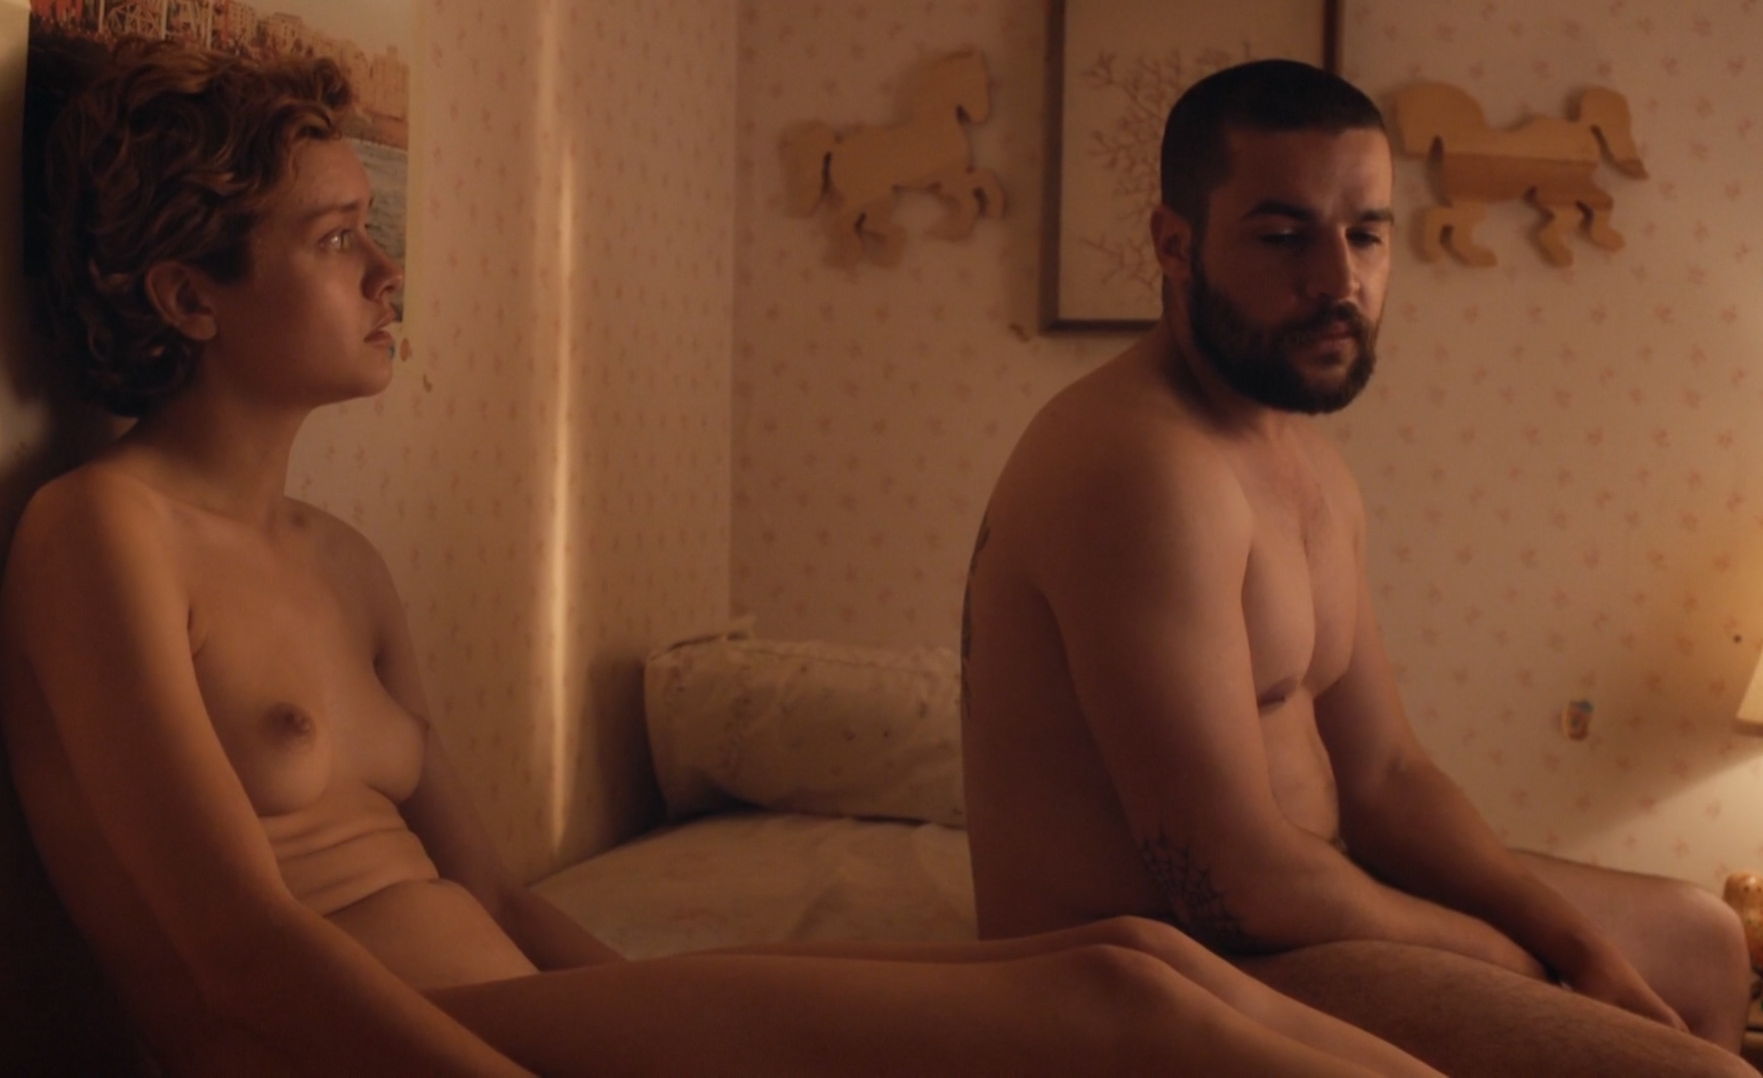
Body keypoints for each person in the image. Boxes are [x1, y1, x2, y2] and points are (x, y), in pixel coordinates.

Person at [1, 39, 1445, 1076]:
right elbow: (235, 954)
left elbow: (495, 898)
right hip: (364, 1044)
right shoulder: (99, 532)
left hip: (509, 1009)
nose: (389, 270)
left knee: (1136, 955)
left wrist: (688, 1006)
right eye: (335, 239)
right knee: (1122, 1018)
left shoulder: (341, 559)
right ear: (187, 293)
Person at [961, 58, 1755, 1078]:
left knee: (1702, 939)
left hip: (1297, 919)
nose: (1337, 281)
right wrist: (1513, 961)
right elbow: (1232, 880)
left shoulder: (1306, 465)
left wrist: (1575, 942)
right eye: (1282, 236)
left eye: (1366, 235)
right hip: (1160, 965)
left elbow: (1386, 777)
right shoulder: (1138, 467)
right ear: (1173, 243)